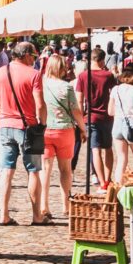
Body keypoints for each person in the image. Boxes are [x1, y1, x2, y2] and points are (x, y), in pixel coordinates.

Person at [0, 40, 47, 226]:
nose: (34, 59)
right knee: (33, 171)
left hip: (5, 126)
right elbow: (40, 104)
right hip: (28, 128)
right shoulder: (34, 75)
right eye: (33, 56)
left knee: (6, 172)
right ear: (26, 55)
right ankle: (37, 216)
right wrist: (42, 124)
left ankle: (3, 215)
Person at [40, 52, 81, 219]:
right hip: (65, 130)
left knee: (45, 169)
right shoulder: (67, 87)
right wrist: (83, 127)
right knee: (65, 169)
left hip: (45, 130)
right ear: (62, 69)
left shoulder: (41, 84)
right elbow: (75, 110)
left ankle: (44, 205)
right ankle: (66, 205)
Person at [77, 47, 115, 190]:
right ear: (101, 60)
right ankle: (108, 178)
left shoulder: (83, 76)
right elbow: (113, 96)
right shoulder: (108, 76)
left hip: (90, 117)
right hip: (107, 116)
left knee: (95, 150)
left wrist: (80, 121)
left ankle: (101, 181)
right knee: (108, 148)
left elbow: (79, 100)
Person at [108, 63, 133, 178]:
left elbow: (110, 111)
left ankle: (118, 188)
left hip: (117, 124)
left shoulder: (116, 89)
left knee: (121, 160)